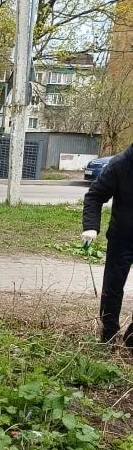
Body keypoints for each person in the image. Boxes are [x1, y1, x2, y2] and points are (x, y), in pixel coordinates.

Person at [82, 144, 133, 348]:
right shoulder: (119, 164)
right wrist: (91, 227)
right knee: (113, 288)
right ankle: (109, 336)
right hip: (122, 239)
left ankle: (132, 338)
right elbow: (95, 195)